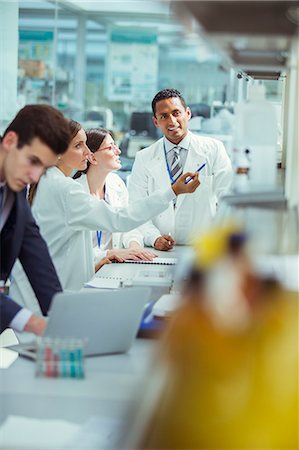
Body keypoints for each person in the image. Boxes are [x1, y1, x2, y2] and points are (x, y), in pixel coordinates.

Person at [10, 120, 199, 316]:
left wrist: (107, 255)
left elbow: (65, 245)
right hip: (48, 301)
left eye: (85, 144)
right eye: (78, 146)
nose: (87, 152)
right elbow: (119, 219)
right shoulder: (65, 189)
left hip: (48, 294)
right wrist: (172, 191)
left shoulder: (51, 182)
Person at [128, 88, 233, 251]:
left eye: (176, 113)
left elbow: (228, 199)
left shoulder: (214, 149)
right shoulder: (144, 158)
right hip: (159, 251)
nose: (172, 121)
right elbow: (137, 207)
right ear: (156, 121)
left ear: (188, 114)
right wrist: (153, 238)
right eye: (164, 116)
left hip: (204, 248)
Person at [0, 104, 71, 335]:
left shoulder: (13, 181)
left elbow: (34, 250)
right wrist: (34, 323)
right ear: (10, 141)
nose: (35, 176)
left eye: (44, 168)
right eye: (33, 161)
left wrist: (62, 316)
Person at [74, 127, 156, 264]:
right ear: (92, 157)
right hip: (86, 269)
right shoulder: (75, 193)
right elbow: (75, 248)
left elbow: (128, 226)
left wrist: (134, 247)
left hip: (112, 265)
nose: (118, 151)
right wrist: (112, 253)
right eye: (110, 148)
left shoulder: (116, 184)